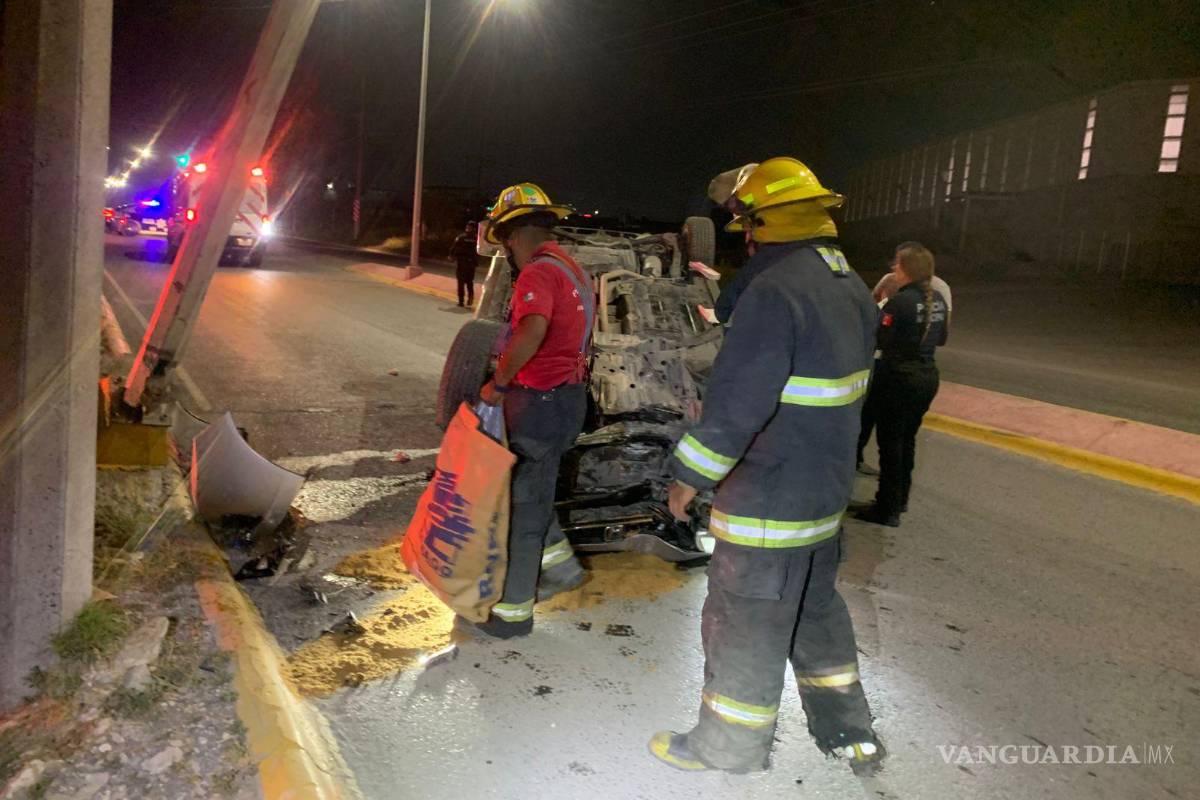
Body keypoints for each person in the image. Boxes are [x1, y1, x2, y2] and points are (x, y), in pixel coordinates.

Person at [649, 157, 886, 775]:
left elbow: (735, 407)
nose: (744, 236)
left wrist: (689, 477)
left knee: (745, 617)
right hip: (824, 493)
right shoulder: (851, 285)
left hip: (770, 499)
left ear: (762, 223)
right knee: (817, 610)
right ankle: (848, 731)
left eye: (746, 224)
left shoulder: (775, 290)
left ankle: (725, 747)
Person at [467, 183, 593, 639]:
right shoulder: (573, 269)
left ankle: (513, 615)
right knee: (533, 489)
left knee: (522, 510)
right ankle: (561, 568)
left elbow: (533, 329)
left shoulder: (538, 272)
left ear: (515, 236)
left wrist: (499, 383)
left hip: (539, 402)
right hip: (566, 400)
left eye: (505, 244)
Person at [854, 242, 948, 527]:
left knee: (890, 446)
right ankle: (900, 499)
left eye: (897, 263)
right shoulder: (938, 300)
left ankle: (886, 508)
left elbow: (879, 338)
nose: (893, 268)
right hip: (926, 377)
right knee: (907, 442)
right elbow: (941, 338)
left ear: (908, 269)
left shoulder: (901, 301)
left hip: (897, 379)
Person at [448, 221, 480, 308]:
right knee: (469, 282)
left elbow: (454, 247)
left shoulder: (461, 237)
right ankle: (470, 297)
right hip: (471, 263)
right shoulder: (477, 238)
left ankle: (461, 301)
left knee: (461, 282)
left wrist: (451, 255)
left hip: (462, 262)